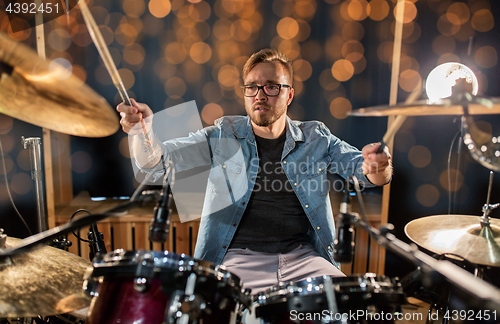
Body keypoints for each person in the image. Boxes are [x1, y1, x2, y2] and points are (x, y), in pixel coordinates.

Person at [117, 48, 392, 294]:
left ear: (289, 94)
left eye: (271, 87)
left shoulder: (316, 138)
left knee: (346, 307)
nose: (260, 95)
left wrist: (378, 165)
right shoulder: (224, 134)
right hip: (237, 261)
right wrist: (143, 133)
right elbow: (157, 164)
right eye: (252, 87)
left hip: (305, 261)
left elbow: (368, 174)